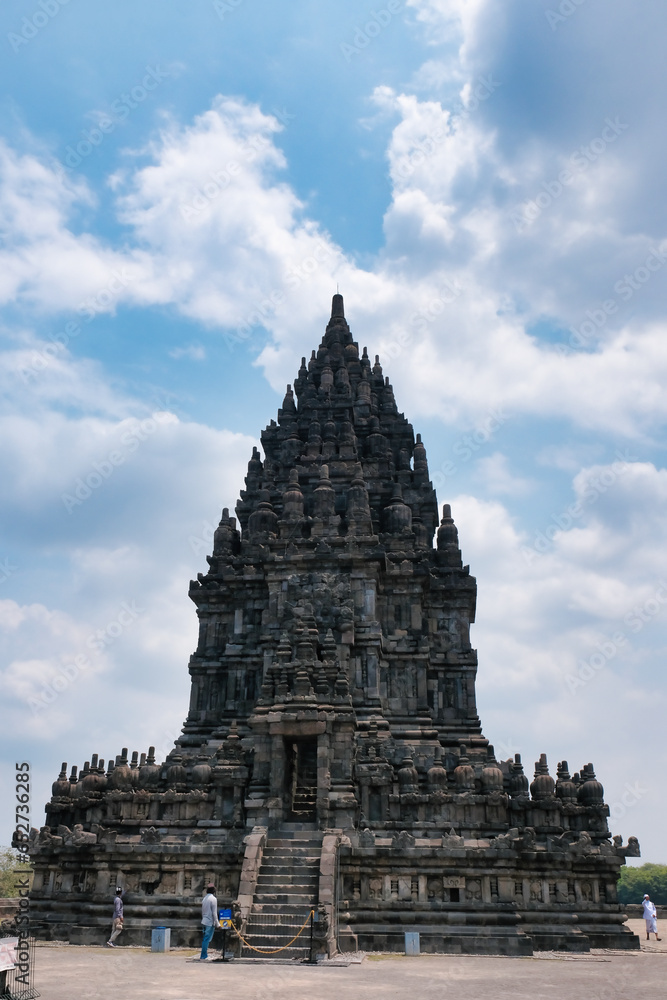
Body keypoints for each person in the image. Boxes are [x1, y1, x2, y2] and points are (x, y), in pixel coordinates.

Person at [200, 883, 222, 960]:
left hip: (204, 920)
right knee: (207, 939)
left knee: (205, 939)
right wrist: (218, 924)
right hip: (209, 921)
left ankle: (204, 954)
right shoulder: (213, 899)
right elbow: (214, 913)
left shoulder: (204, 899)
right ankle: (203, 955)